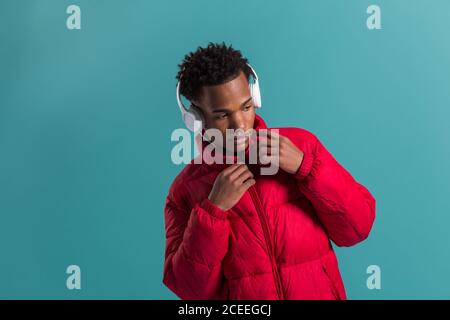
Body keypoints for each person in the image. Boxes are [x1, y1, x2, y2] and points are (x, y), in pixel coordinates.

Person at [163, 42, 376, 300]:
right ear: (195, 118)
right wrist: (212, 211)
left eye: (246, 107)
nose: (240, 124)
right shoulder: (183, 191)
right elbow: (191, 289)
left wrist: (307, 169)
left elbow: (358, 227)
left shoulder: (301, 146)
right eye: (222, 115)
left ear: (255, 97)